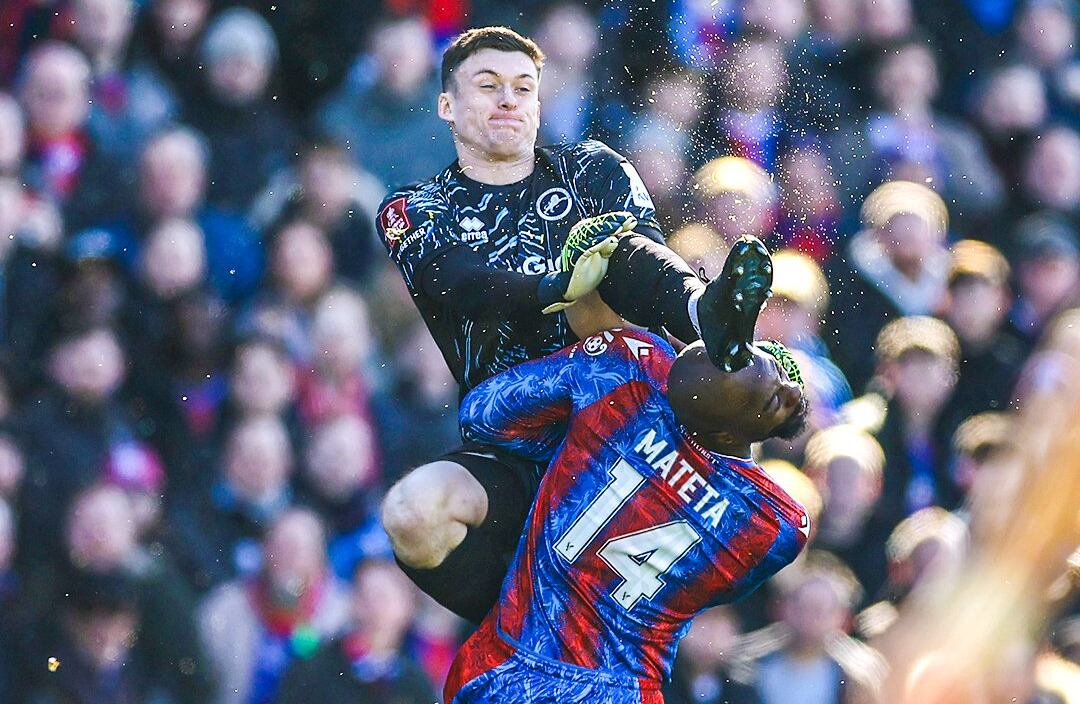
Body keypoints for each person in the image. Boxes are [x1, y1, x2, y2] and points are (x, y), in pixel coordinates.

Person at [379, 26, 768, 623]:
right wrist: (554, 288)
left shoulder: (592, 170)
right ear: (447, 106)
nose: (508, 99)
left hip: (627, 440)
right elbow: (461, 284)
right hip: (515, 446)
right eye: (487, 86)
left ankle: (706, 312)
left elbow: (636, 272)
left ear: (540, 103)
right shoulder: (415, 208)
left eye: (523, 88)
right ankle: (527, 621)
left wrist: (621, 289)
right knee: (411, 513)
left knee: (613, 254)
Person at [442, 281, 810, 701]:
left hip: (507, 665)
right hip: (620, 688)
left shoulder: (630, 370)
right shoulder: (772, 522)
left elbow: (480, 414)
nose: (789, 388)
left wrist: (573, 442)